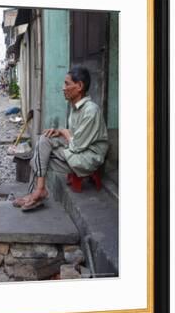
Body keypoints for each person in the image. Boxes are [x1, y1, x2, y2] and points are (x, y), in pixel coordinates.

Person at [13, 65, 109, 211]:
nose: (63, 88)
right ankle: (37, 192)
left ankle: (37, 192)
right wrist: (59, 132)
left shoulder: (91, 111)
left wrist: (64, 132)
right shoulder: (75, 107)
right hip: (78, 150)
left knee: (39, 157)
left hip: (88, 157)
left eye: (67, 83)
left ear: (79, 86)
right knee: (44, 141)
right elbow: (76, 135)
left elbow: (77, 145)